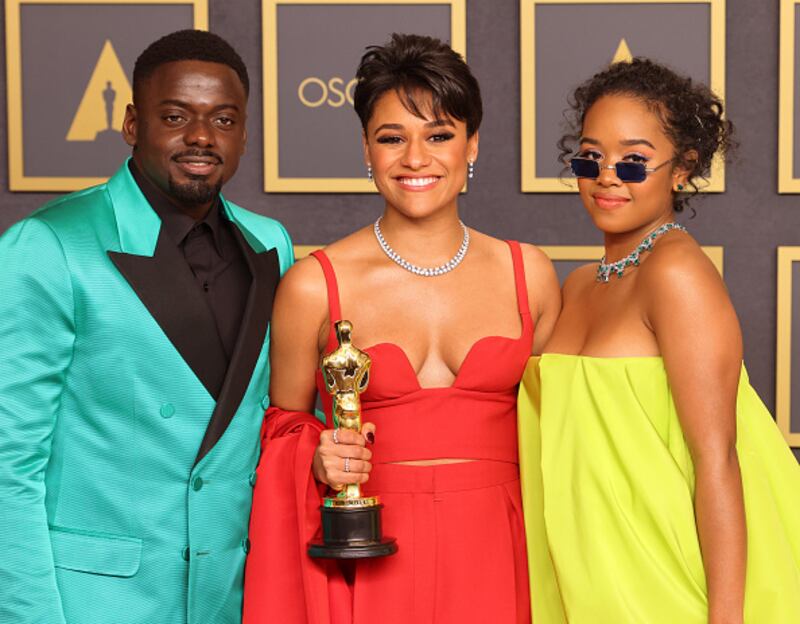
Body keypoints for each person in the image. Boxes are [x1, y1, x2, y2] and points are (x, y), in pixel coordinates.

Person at [244, 33, 561, 624]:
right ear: (366, 149)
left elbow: (565, 435)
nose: (416, 159)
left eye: (439, 135)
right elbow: (284, 427)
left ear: (472, 144)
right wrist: (318, 455)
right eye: (392, 138)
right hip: (371, 554)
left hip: (503, 550)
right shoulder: (314, 285)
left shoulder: (530, 274)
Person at [0, 30, 293, 624]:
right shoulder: (49, 246)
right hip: (95, 603)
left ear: (244, 134)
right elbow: (9, 463)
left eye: (223, 119)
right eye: (176, 116)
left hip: (232, 600)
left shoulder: (272, 245)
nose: (201, 137)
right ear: (133, 124)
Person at [519, 58, 800, 624]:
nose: (607, 177)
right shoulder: (578, 285)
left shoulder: (676, 274)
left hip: (664, 577)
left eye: (633, 162)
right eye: (590, 157)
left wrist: (726, 618)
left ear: (682, 169)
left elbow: (717, 459)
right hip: (589, 578)